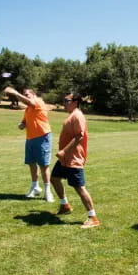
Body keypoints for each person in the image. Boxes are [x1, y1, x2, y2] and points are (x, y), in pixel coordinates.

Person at [51, 93, 100, 229]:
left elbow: (79, 136)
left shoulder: (77, 116)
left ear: (75, 102)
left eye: (66, 100)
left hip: (73, 158)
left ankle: (93, 217)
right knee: (54, 178)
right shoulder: (72, 114)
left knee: (79, 187)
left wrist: (64, 151)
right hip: (65, 159)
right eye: (64, 100)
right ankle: (65, 205)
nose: (64, 103)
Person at [4, 87, 54, 202]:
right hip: (30, 138)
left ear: (33, 94)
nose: (26, 96)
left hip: (42, 136)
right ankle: (35, 187)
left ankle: (48, 191)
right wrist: (22, 124)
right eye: (24, 95)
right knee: (31, 164)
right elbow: (25, 120)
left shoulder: (38, 102)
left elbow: (28, 102)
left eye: (27, 94)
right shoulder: (28, 109)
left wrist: (15, 92)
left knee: (43, 165)